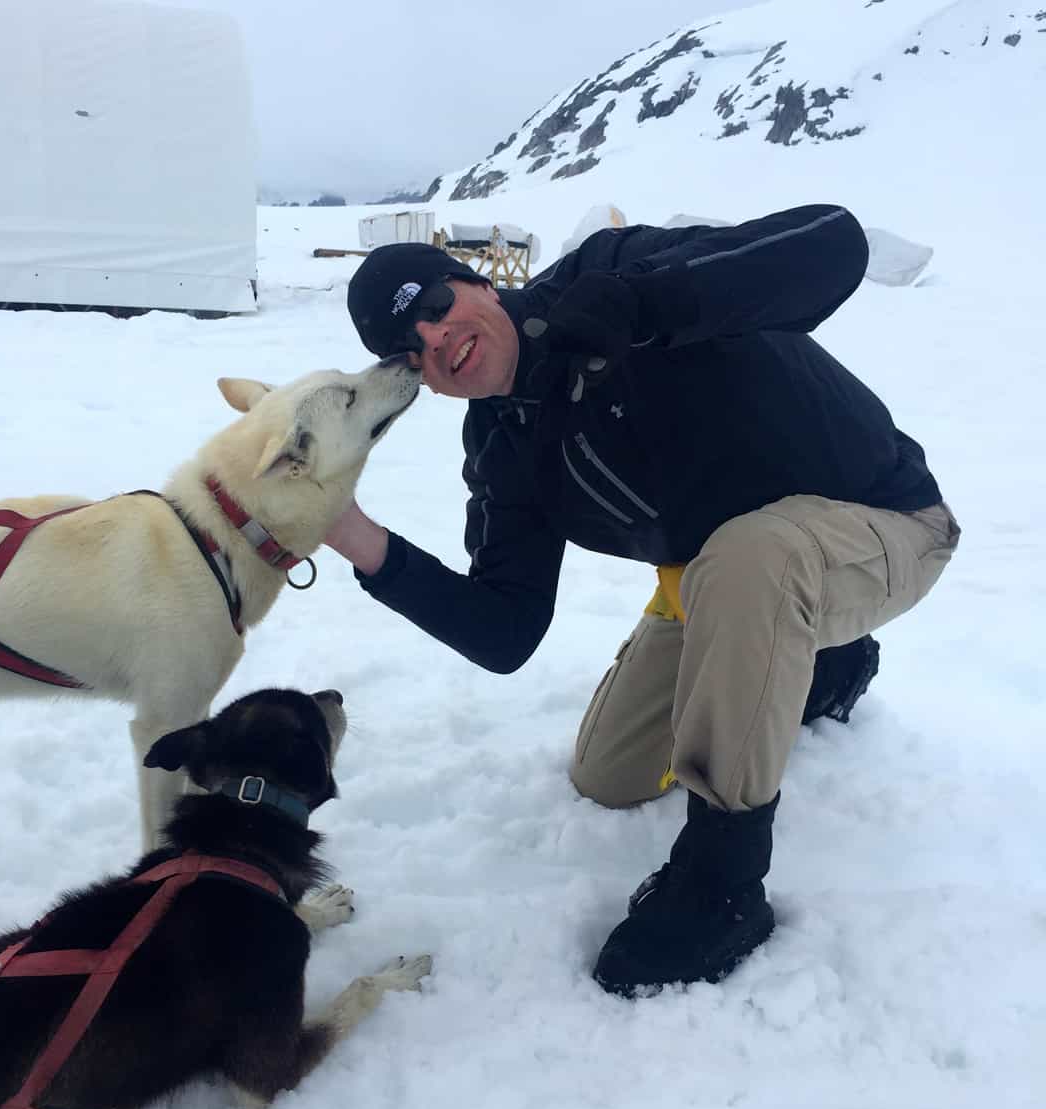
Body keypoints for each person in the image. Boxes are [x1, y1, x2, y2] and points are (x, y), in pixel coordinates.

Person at [328, 206, 960, 996]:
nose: (435, 342)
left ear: (474, 281)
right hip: (726, 584)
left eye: (432, 308)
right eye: (409, 353)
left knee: (748, 558)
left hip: (887, 523)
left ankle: (722, 886)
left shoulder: (618, 272)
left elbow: (832, 244)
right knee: (610, 774)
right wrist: (360, 540)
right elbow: (504, 629)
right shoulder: (501, 443)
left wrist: (646, 305)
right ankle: (820, 664)